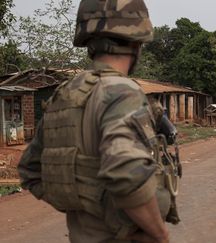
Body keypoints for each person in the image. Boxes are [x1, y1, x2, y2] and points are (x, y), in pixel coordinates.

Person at [18, 1, 179, 242]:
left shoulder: (66, 94)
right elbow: (125, 172)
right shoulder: (122, 92)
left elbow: (30, 169)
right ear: (137, 42)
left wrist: (82, 199)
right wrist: (160, 233)